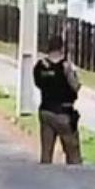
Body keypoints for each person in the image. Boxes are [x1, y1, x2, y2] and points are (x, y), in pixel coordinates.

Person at [33, 33, 83, 165]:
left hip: (46, 111)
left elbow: (38, 84)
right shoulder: (65, 66)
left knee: (46, 152)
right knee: (73, 154)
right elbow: (76, 87)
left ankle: (45, 178)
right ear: (62, 48)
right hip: (63, 113)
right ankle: (76, 180)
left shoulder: (40, 66)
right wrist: (71, 73)